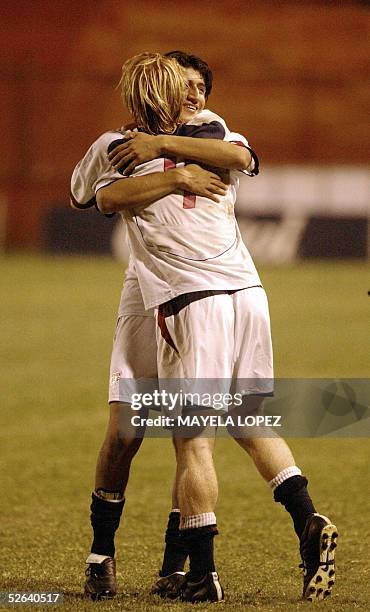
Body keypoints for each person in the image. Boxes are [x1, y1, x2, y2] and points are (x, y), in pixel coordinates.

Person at [72, 51, 338, 604]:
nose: (192, 96)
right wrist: (171, 176)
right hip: (230, 293)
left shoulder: (210, 134)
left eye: (198, 86)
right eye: (180, 85)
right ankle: (304, 519)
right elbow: (96, 196)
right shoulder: (117, 147)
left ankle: (199, 571)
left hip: (190, 300)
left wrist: (166, 150)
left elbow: (238, 154)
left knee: (190, 438)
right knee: (214, 422)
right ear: (158, 90)